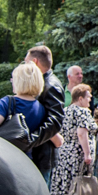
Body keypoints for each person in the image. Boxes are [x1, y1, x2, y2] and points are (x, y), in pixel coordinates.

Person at [50, 84, 96, 195]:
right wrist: (87, 154)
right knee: (81, 184)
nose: (90, 100)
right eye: (88, 97)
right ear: (80, 98)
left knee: (64, 183)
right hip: (78, 153)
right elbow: (82, 133)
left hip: (64, 152)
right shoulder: (83, 112)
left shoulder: (65, 111)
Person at [20, 46, 68, 179]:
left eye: (26, 61)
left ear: (34, 62)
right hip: (37, 153)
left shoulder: (51, 85)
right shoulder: (41, 82)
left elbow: (54, 122)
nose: (24, 66)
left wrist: (30, 141)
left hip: (41, 155)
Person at [0, 61, 47, 149]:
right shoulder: (41, 108)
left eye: (13, 78)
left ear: (19, 81)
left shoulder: (7, 102)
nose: (11, 81)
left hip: (2, 151)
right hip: (24, 154)